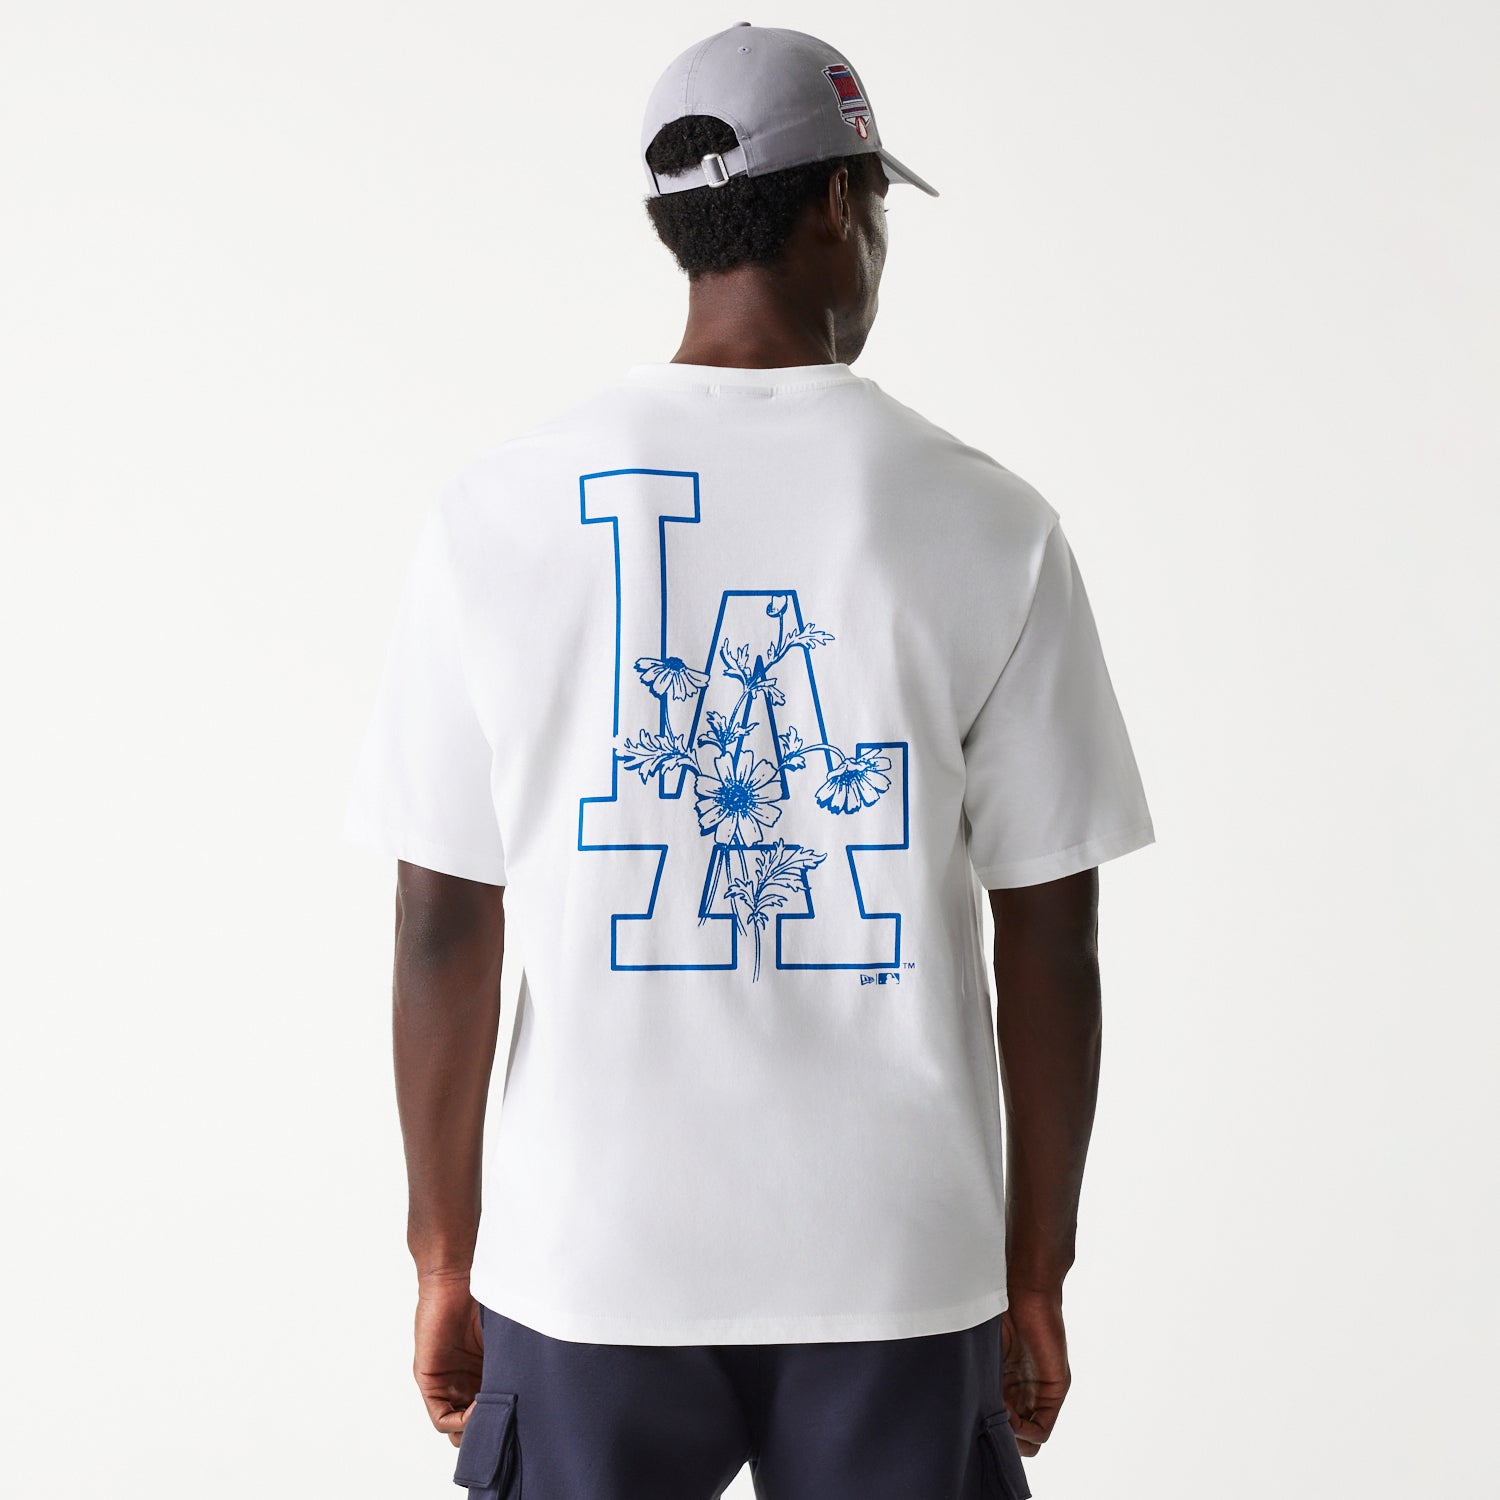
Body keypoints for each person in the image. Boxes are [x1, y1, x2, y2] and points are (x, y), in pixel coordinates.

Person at [344, 22, 1155, 1500]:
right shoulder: (989, 520)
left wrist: (442, 1254)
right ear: (840, 203)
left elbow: (443, 919)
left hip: (592, 1249)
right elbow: (1052, 932)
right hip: (897, 1254)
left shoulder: (496, 513)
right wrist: (1036, 1269)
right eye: (879, 204)